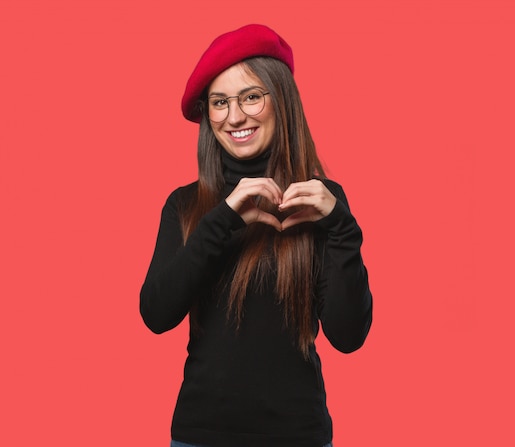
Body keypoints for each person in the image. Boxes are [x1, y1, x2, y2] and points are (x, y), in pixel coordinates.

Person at [140, 24, 373, 447]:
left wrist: (341, 226)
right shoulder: (186, 204)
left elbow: (349, 336)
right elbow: (156, 313)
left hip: (298, 435)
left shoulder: (322, 201)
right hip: (200, 436)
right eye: (219, 102)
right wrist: (224, 216)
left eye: (250, 96)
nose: (234, 117)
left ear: (280, 100)